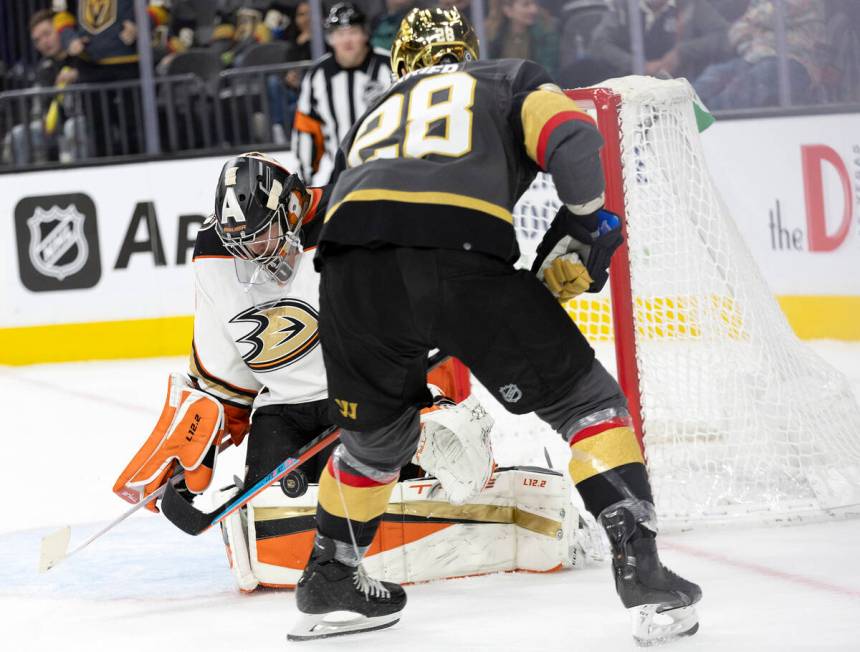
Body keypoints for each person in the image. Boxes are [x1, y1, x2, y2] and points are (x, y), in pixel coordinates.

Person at [291, 6, 701, 645]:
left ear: (401, 63)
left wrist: (401, 315)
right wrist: (588, 222)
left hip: (348, 277)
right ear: (470, 47)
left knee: (375, 444)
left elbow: (348, 217)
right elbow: (573, 139)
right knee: (586, 403)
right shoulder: (507, 77)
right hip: (458, 255)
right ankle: (640, 568)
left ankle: (329, 577)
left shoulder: (372, 113)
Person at [291, 2, 391, 185]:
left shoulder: (389, 66)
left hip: (390, 170)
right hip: (343, 175)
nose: (347, 40)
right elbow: (307, 129)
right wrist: (304, 180)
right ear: (331, 39)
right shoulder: (317, 76)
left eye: (353, 32)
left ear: (364, 35)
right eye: (340, 34)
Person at [693, 0, 825, 109]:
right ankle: (682, 117)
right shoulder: (761, 3)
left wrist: (752, 22)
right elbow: (735, 32)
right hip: (753, 59)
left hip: (792, 64)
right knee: (715, 74)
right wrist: (753, 34)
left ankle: (709, 120)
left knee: (744, 86)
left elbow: (780, 12)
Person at [2, 9, 79, 165]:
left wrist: (77, 76)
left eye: (47, 34)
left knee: (73, 127)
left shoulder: (81, 59)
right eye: (37, 40)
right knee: (18, 134)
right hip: (51, 128)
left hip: (80, 120)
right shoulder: (43, 68)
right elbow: (40, 109)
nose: (44, 42)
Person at [587, 0, 730, 81]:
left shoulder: (690, 5)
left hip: (683, 90)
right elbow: (599, 44)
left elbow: (722, 36)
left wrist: (681, 53)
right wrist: (638, 65)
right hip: (630, 93)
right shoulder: (623, 7)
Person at [485, 0, 560, 78]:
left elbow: (548, 72)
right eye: (526, 5)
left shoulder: (545, 32)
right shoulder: (491, 36)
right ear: (508, 10)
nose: (534, 10)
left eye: (535, 3)